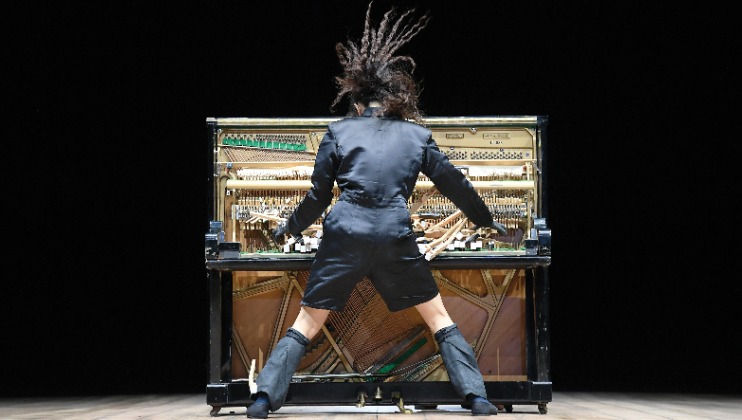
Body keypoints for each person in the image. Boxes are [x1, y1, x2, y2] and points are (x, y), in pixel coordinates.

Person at [247, 2, 506, 418]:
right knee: (437, 317)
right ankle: (476, 398)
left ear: (357, 99)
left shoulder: (338, 131)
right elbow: (454, 182)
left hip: (345, 232)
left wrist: (287, 229)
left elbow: (317, 198)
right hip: (393, 233)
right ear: (396, 98)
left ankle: (263, 400)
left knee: (308, 322)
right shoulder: (417, 136)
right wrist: (484, 219)